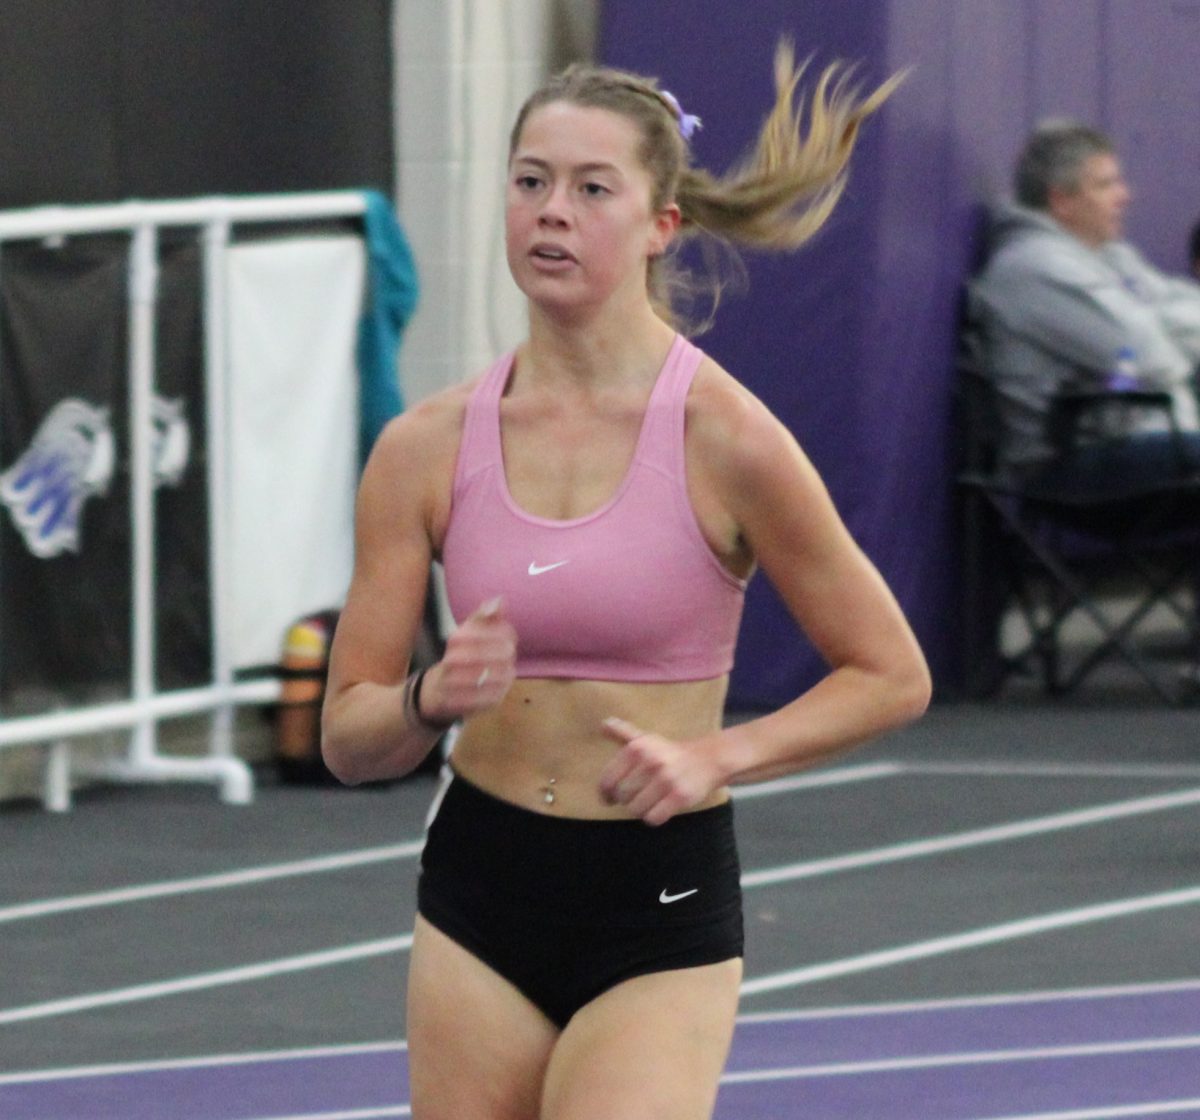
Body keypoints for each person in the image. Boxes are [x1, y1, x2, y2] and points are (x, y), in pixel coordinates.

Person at [321, 42, 930, 1120]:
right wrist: (428, 697)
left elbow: (890, 673)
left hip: (657, 897)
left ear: (661, 226)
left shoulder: (728, 437)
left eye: (592, 188)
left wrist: (717, 755)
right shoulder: (423, 447)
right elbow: (348, 737)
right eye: (530, 181)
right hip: (482, 883)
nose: (552, 211)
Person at [970, 119, 1200, 498]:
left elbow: (1179, 303)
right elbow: (1150, 356)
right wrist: (1159, 333)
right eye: (1106, 184)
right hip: (1067, 461)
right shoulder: (1033, 267)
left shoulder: (1109, 255)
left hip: (1144, 432)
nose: (1125, 196)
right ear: (1061, 200)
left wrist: (1152, 323)